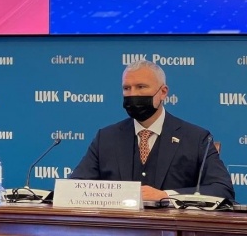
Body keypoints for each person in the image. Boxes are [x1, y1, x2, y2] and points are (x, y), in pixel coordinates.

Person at [71, 60, 234, 202]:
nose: (133, 94)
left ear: (163, 92)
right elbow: (74, 189)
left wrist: (166, 196)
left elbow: (222, 189)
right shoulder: (106, 138)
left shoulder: (196, 139)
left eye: (141, 87)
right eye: (127, 88)